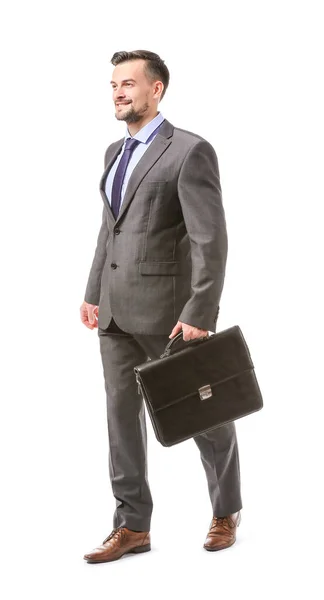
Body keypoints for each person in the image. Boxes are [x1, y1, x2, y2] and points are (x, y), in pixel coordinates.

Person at [80, 49, 242, 564]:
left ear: (158, 90)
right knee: (120, 419)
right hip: (114, 312)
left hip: (171, 313)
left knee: (204, 413)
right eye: (113, 85)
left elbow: (209, 239)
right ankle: (131, 526)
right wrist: (91, 292)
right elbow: (111, 228)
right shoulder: (113, 152)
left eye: (129, 83)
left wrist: (200, 310)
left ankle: (225, 508)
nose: (119, 92)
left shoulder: (189, 151)